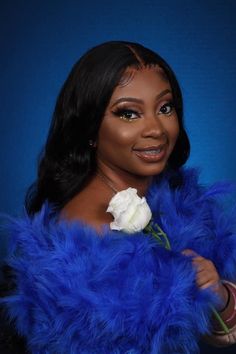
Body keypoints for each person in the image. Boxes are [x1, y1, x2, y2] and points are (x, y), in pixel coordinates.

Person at [0, 41, 236, 354]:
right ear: (89, 128)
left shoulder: (178, 198)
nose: (156, 129)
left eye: (165, 108)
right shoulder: (89, 230)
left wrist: (219, 295)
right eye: (128, 114)